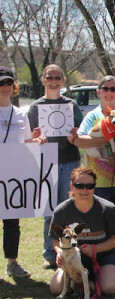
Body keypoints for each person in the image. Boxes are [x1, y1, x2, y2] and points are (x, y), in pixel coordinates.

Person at [28, 64, 83, 270]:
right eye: (50, 77)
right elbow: (29, 138)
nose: (53, 81)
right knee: (49, 210)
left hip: (70, 160)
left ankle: (72, 251)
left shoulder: (71, 105)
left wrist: (76, 132)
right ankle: (50, 253)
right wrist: (36, 138)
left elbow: (80, 131)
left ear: (62, 80)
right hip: (46, 163)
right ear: (43, 79)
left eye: (57, 77)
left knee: (70, 208)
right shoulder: (35, 107)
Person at [71, 76, 115, 263]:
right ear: (99, 92)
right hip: (99, 181)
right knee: (100, 221)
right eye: (105, 88)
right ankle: (101, 256)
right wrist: (105, 138)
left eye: (113, 89)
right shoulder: (92, 115)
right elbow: (80, 140)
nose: (109, 92)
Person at [0, 66, 46, 278]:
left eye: (8, 83)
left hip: (12, 176)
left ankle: (12, 263)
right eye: (1, 83)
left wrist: (37, 141)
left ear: (14, 86)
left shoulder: (20, 114)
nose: (5, 87)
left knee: (12, 222)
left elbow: (26, 142)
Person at [49, 167, 115, 296]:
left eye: (89, 186)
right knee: (56, 288)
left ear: (95, 187)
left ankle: (101, 277)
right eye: (79, 185)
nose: (84, 190)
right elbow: (56, 240)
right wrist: (59, 253)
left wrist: (95, 248)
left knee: (111, 288)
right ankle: (86, 282)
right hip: (73, 256)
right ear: (72, 186)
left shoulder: (107, 208)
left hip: (106, 254)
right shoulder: (61, 210)